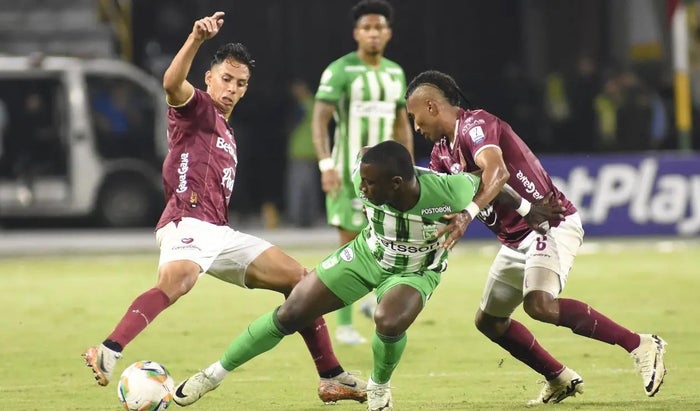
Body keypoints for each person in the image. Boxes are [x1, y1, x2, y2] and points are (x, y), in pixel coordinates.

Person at [81, 12, 366, 405]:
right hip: (187, 221)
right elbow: (171, 84)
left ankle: (331, 376)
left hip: (218, 231)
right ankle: (109, 349)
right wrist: (195, 39)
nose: (232, 89)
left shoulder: (227, 131)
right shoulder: (196, 107)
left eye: (240, 83)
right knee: (177, 282)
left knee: (301, 282)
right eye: (226, 79)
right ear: (209, 79)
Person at [172, 140, 564, 410]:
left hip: (414, 271)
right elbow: (363, 157)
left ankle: (378, 387)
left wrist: (528, 211)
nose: (361, 186)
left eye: (369, 183)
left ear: (396, 184)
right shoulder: (368, 169)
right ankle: (213, 375)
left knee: (388, 319)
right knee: (291, 313)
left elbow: (493, 181)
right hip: (366, 255)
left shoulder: (450, 190)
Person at [404, 70, 668, 405]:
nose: (415, 126)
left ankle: (640, 344)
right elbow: (450, 199)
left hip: (549, 225)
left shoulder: (476, 126)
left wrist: (468, 215)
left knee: (539, 304)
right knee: (489, 322)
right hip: (516, 239)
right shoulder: (441, 154)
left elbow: (497, 172)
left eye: (414, 116)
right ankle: (559, 378)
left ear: (430, 106)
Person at [312, 0, 413, 345]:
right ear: (356, 33)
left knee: (391, 241)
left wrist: (408, 169)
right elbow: (320, 120)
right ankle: (344, 325)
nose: (373, 34)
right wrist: (326, 164)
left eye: (378, 27)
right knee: (349, 245)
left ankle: (373, 301)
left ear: (388, 33)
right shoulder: (340, 70)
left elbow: (401, 123)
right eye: (366, 28)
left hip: (389, 178)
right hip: (349, 174)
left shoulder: (395, 73)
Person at [284, 79, 321, 227]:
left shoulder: (303, 106)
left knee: (297, 188)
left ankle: (298, 218)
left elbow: (292, 124)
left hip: (300, 152)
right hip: (311, 151)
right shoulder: (315, 104)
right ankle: (310, 217)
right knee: (310, 188)